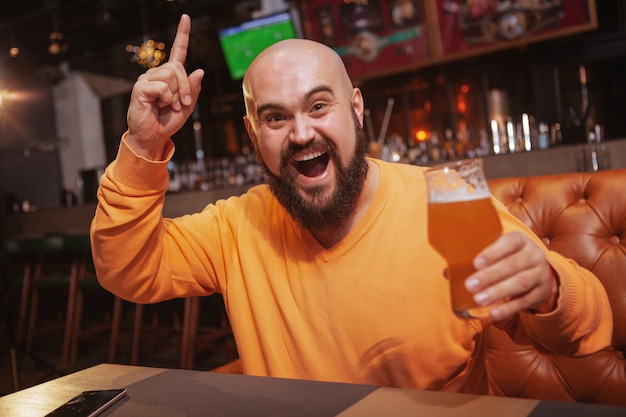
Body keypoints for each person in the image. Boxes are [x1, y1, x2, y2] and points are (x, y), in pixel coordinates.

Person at [91, 15, 611, 393]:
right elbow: (127, 269)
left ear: (356, 109)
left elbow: (584, 329)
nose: (301, 133)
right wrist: (144, 146)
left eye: (319, 106)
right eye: (275, 118)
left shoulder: (444, 203)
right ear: (253, 134)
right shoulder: (236, 225)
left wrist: (547, 290)